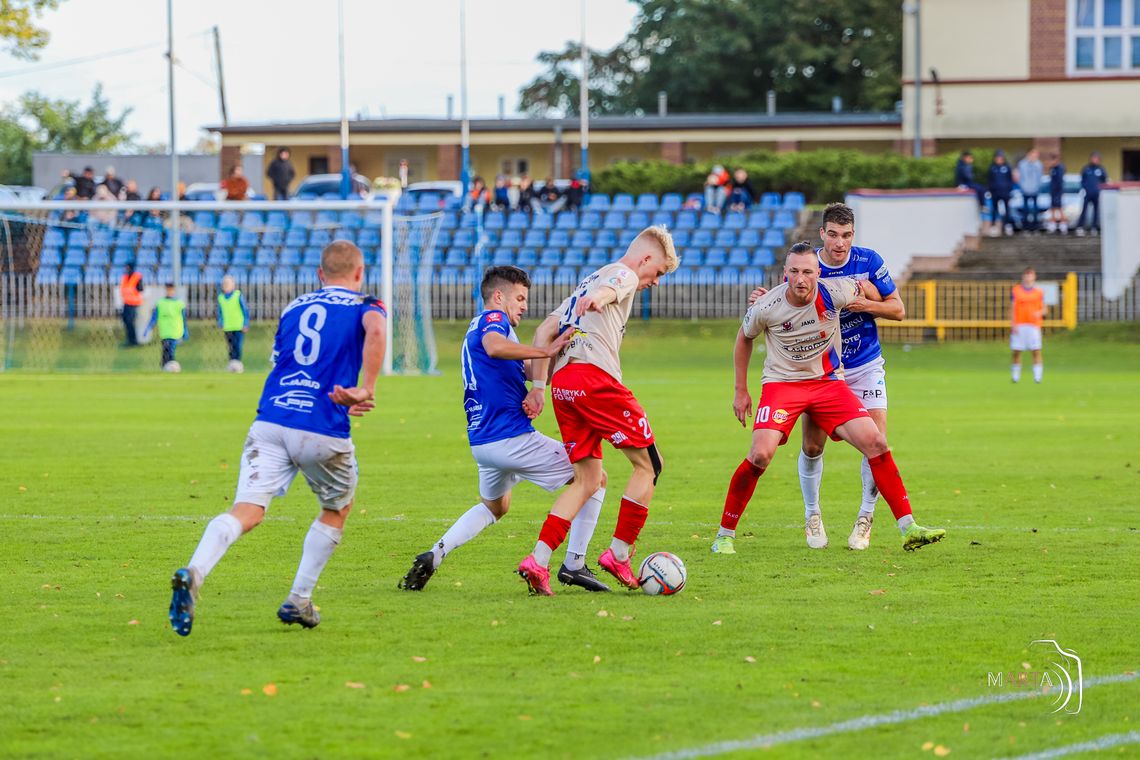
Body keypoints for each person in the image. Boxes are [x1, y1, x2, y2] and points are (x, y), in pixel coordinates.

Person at [168, 241, 386, 636]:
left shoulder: (295, 306)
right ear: (359, 273)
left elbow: (287, 363)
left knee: (247, 509)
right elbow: (376, 329)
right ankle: (299, 599)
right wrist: (365, 388)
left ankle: (195, 570)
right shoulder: (367, 304)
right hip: (320, 426)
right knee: (337, 508)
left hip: (270, 420)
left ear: (320, 275)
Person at [714, 242, 946, 555]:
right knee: (760, 455)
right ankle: (724, 535)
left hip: (827, 384)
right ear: (785, 273)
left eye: (808, 272)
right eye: (794, 271)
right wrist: (740, 390)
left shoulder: (835, 290)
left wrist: (869, 297)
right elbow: (743, 339)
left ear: (818, 273)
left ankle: (908, 527)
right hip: (783, 386)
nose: (801, 278)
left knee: (876, 443)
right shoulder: (767, 306)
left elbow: (880, 298)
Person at [399, 266, 611, 593]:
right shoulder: (492, 321)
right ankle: (575, 563)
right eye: (520, 297)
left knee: (496, 506)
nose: (524, 305)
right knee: (594, 478)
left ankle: (435, 553)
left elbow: (526, 367)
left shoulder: (489, 330)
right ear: (498, 296)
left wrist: (557, 353)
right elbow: (495, 346)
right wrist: (544, 349)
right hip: (510, 437)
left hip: (483, 443)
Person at [731, 202, 906, 552]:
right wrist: (763, 299)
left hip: (866, 364)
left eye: (846, 235)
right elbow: (785, 300)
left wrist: (863, 303)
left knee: (877, 443)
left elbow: (898, 309)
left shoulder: (869, 261)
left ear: (853, 236)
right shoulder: (809, 265)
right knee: (812, 446)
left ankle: (865, 519)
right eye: (833, 235)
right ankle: (813, 516)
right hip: (820, 370)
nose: (840, 243)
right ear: (822, 234)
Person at [517, 226, 680, 595]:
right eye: (656, 274)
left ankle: (537, 561)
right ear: (646, 260)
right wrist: (602, 298)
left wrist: (539, 387)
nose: (654, 282)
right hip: (595, 381)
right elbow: (614, 288)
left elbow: (544, 331)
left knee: (588, 480)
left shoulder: (585, 281)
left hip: (565, 386)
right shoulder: (621, 273)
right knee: (649, 465)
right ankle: (619, 554)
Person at [1010, 267, 1046, 384]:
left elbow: (1044, 309)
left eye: (1030, 275)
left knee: (1036, 350)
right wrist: (1013, 323)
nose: (1028, 277)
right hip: (1019, 325)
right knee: (1016, 351)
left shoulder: (1039, 292)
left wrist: (1039, 313)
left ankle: (1037, 377)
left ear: (1034, 277)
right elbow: (1012, 308)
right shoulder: (1016, 290)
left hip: (1033, 325)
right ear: (1023, 277)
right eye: (1026, 275)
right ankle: (1015, 377)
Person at [143, 283, 188, 371]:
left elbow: (183, 318)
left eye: (171, 290)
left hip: (175, 330)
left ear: (174, 291)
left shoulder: (179, 303)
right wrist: (149, 327)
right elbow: (154, 316)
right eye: (168, 290)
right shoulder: (160, 303)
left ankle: (170, 365)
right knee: (166, 349)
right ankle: (166, 365)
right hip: (164, 331)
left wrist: (185, 330)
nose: (170, 292)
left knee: (170, 349)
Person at [217, 274, 249, 373]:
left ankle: (238, 363)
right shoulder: (221, 298)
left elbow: (245, 310)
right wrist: (220, 322)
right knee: (230, 346)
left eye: (228, 284)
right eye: (225, 284)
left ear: (233, 285)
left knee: (237, 345)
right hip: (228, 326)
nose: (226, 286)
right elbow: (220, 312)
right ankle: (231, 363)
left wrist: (245, 323)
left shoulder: (238, 295)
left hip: (238, 325)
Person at [1076, 151, 1108, 236]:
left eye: (1096, 158)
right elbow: (1082, 180)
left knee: (1096, 211)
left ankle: (1094, 227)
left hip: (1096, 194)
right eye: (1093, 158)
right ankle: (1080, 227)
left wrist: (1100, 190)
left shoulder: (1101, 169)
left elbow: (1104, 181)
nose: (1095, 159)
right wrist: (1084, 189)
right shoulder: (1086, 169)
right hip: (1087, 193)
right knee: (1084, 210)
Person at [987, 150, 1015, 236]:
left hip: (1005, 193)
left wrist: (1009, 189)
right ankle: (993, 227)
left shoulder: (1007, 168)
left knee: (1007, 210)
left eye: (1001, 158)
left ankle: (1007, 226)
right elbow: (989, 180)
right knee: (994, 210)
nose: (999, 159)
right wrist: (991, 190)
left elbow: (1010, 180)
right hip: (995, 193)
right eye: (998, 158)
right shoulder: (992, 168)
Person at [1016, 149, 1044, 232]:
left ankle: (1035, 227)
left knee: (1035, 209)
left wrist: (1037, 187)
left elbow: (1039, 177)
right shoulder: (1022, 164)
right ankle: (1026, 226)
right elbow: (1021, 177)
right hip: (1025, 190)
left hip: (1035, 190)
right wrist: (1023, 187)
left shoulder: (1038, 164)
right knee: (1025, 209)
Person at [118, 262, 143, 347]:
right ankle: (129, 339)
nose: (126, 269)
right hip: (126, 302)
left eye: (128, 268)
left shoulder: (137, 277)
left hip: (134, 303)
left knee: (130, 321)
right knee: (125, 320)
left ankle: (133, 340)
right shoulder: (124, 277)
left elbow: (140, 288)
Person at [1046, 154, 1068, 234]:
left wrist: (1058, 192)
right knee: (1053, 208)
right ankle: (1053, 225)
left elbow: (1059, 182)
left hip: (1058, 192)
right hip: (1053, 191)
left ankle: (1063, 225)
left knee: (1059, 208)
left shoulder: (1060, 168)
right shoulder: (1052, 169)